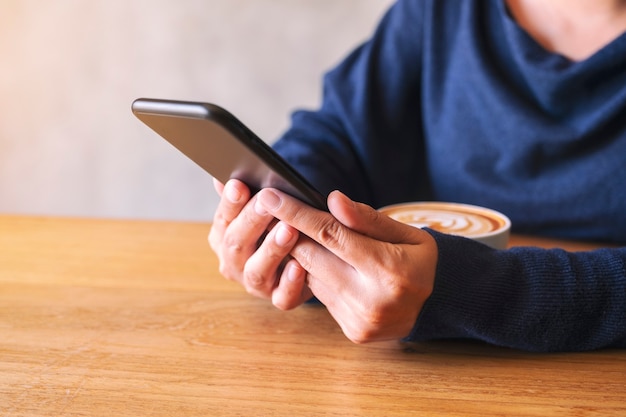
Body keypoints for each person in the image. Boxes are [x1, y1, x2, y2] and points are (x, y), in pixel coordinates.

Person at [209, 0, 626, 352]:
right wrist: (286, 208)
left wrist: (470, 290)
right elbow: (337, 133)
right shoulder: (441, 10)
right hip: (417, 369)